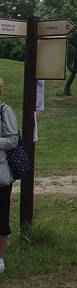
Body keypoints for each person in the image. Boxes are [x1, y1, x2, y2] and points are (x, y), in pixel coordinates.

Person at [0, 77, 19, 274]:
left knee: (1, 216)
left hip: (1, 174)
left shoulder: (4, 111)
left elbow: (13, 139)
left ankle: (0, 258)